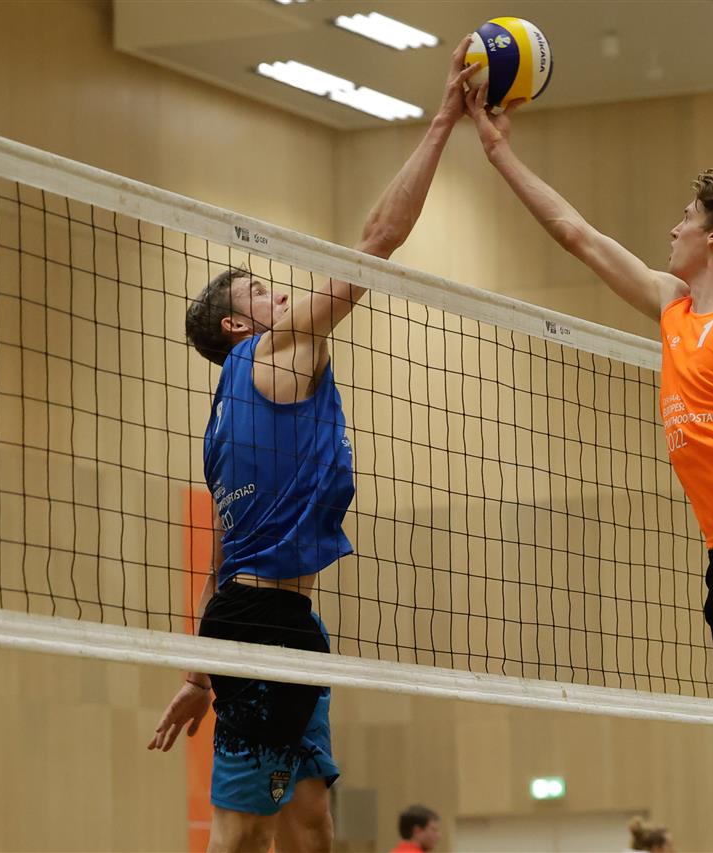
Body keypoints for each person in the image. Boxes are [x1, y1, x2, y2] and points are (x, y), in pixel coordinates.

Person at [464, 84, 713, 853]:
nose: (674, 227)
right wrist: (500, 151)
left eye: (687, 217)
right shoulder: (673, 307)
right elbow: (576, 234)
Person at [145, 43, 480, 853]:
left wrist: (198, 675)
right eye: (260, 290)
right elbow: (378, 239)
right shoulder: (276, 350)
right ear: (238, 324)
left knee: (312, 824)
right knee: (240, 834)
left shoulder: (220, 424)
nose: (281, 290)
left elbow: (222, 556)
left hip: (288, 620)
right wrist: (443, 121)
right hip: (262, 624)